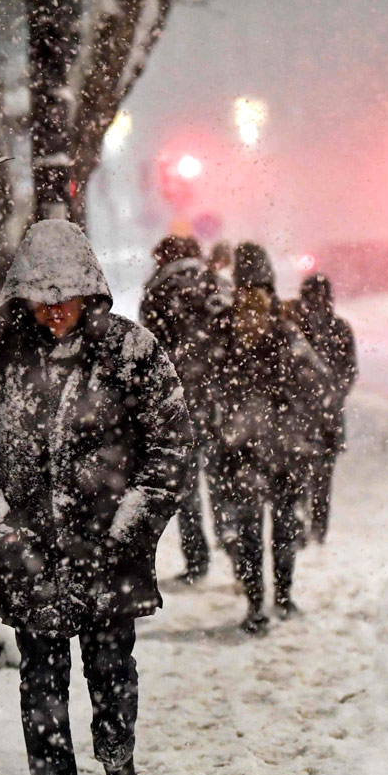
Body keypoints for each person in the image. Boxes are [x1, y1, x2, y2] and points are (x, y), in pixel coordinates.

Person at [0, 220, 192, 775]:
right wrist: (6, 538)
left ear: (88, 293)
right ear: (20, 297)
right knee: (41, 683)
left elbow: (172, 449)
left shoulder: (131, 353)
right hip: (29, 563)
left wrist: (128, 527)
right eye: (41, 300)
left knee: (111, 672)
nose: (53, 312)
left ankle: (118, 761)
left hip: (111, 556)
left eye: (64, 298)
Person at [212, 242, 330, 634]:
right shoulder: (284, 326)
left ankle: (256, 604)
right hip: (279, 445)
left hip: (246, 443)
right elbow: (314, 378)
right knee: (280, 525)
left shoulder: (226, 327)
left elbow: (207, 381)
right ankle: (278, 597)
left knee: (252, 529)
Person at [139, 234, 224, 582]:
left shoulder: (157, 289)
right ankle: (234, 546)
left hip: (178, 406)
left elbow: (148, 354)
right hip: (219, 400)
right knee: (225, 484)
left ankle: (197, 560)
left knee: (186, 490)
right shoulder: (216, 284)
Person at [290, 274, 357, 541]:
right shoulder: (340, 328)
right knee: (321, 479)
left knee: (300, 475)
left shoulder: (295, 328)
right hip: (328, 416)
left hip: (301, 415)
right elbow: (349, 371)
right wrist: (333, 397)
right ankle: (317, 528)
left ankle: (302, 528)